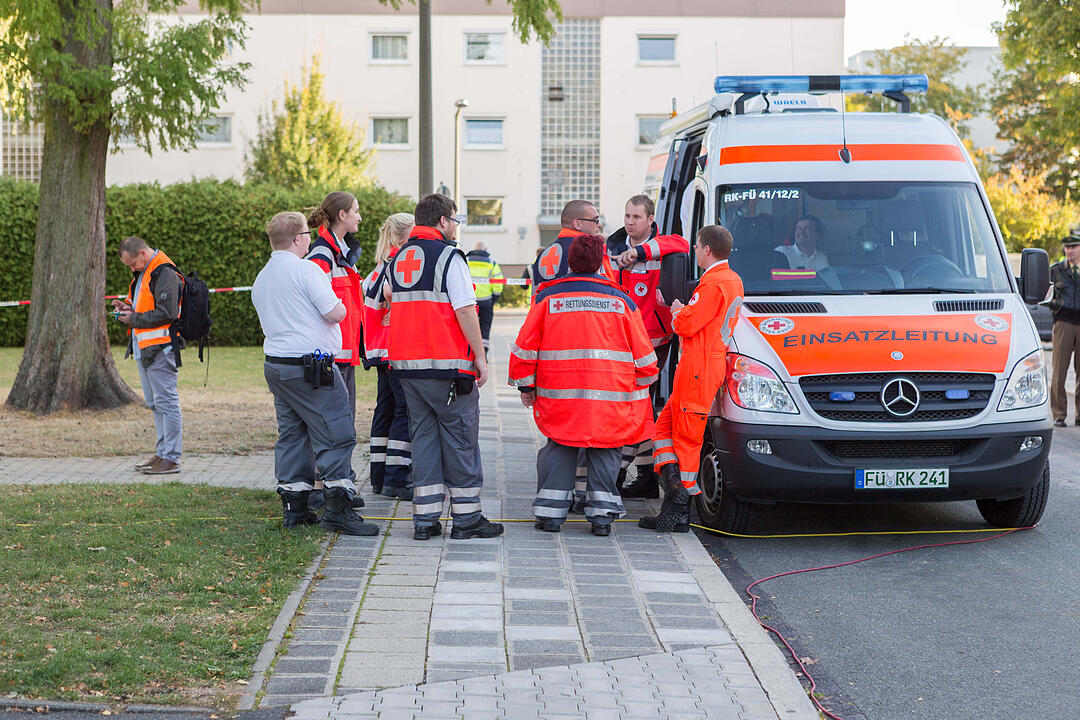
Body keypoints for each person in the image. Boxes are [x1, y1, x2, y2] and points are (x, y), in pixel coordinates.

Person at [509, 234, 658, 535]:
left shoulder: (547, 298)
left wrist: (527, 387)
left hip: (559, 397)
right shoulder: (621, 301)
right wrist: (636, 387)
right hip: (610, 398)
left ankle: (551, 514)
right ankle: (601, 517)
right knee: (605, 449)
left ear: (570, 262)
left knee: (559, 447)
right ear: (601, 262)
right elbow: (645, 360)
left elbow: (524, 348)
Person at [252, 212, 378, 536]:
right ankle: (338, 510)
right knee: (336, 431)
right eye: (307, 233)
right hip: (313, 363)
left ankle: (295, 509)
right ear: (298, 238)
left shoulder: (263, 276)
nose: (311, 238)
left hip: (277, 365)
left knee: (292, 434)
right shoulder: (306, 270)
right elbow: (335, 311)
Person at [385, 194, 503, 541]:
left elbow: (391, 298)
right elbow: (466, 309)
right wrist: (480, 356)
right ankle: (466, 519)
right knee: (460, 439)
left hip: (408, 368)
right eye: (455, 220)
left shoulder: (399, 257)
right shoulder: (450, 257)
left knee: (422, 440)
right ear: (442, 221)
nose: (455, 226)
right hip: (448, 366)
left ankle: (425, 520)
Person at [640, 225, 744, 533]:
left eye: (697, 246)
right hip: (700, 366)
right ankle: (674, 491)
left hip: (699, 366)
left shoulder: (712, 283)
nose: (695, 251)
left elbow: (687, 325)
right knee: (664, 427)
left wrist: (677, 311)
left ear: (707, 250)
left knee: (686, 437)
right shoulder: (731, 280)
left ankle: (678, 508)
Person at [607, 194, 691, 499]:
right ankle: (643, 476)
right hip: (621, 343)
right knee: (637, 410)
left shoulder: (660, 246)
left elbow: (681, 245)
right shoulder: (614, 246)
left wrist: (640, 253)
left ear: (650, 220)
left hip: (653, 343)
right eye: (627, 216)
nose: (630, 222)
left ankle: (617, 473)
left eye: (637, 217)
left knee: (636, 409)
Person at [305, 192, 366, 509]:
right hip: (326, 353)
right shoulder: (323, 254)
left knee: (342, 422)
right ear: (341, 215)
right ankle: (322, 487)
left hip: (342, 352)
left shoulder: (340, 252)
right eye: (356, 211)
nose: (359, 217)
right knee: (329, 422)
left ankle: (339, 484)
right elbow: (315, 302)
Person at [114, 236, 183, 475]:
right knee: (155, 403)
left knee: (167, 402)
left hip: (161, 348)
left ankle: (171, 457)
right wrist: (126, 309)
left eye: (133, 264)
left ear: (143, 254)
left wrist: (133, 319)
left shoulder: (164, 273)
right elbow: (144, 307)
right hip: (145, 347)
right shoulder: (144, 273)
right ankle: (162, 453)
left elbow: (167, 313)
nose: (132, 269)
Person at [361, 213, 415, 499]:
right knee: (404, 411)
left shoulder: (378, 267)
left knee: (385, 409)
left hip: (378, 349)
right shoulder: (397, 266)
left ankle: (379, 476)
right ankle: (397, 477)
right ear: (401, 238)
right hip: (394, 348)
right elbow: (392, 296)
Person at [530, 200, 616, 297]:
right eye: (595, 220)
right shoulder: (589, 253)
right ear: (578, 224)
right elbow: (606, 295)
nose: (599, 225)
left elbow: (535, 299)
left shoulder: (543, 255)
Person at [1049, 233, 1080, 427]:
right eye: (1067, 247)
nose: (1069, 251)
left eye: (1074, 247)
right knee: (1059, 372)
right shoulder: (1056, 271)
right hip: (1064, 324)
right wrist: (1057, 307)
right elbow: (1045, 294)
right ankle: (1059, 414)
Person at [465, 242, 504, 357]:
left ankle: (469, 351)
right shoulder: (492, 263)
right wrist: (494, 299)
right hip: (486, 301)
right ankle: (484, 352)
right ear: (485, 249)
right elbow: (498, 284)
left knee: (468, 325)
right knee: (485, 326)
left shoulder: (465, 261)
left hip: (469, 301)